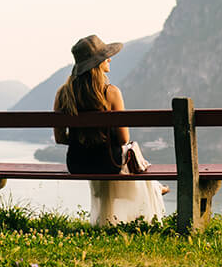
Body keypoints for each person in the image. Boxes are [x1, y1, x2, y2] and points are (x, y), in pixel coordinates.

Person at [53, 34, 167, 225]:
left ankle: (154, 188)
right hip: (108, 163)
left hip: (77, 164)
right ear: (97, 63)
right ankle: (154, 189)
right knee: (131, 154)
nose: (110, 58)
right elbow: (123, 139)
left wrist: (83, 140)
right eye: (106, 56)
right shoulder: (111, 92)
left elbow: (59, 138)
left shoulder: (63, 93)